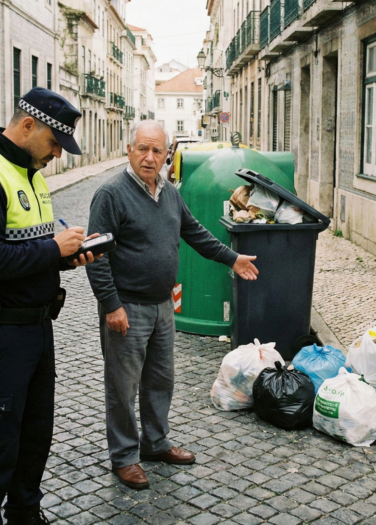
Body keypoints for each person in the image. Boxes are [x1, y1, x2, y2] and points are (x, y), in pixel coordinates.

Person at [0, 88, 99, 525]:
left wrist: (69, 257)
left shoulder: (32, 175)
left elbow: (27, 256)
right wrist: (53, 250)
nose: (57, 154)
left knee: (34, 440)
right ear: (28, 125)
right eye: (54, 142)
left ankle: (26, 516)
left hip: (35, 332)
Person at [85, 120, 259, 490]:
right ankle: (125, 457)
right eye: (143, 149)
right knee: (122, 387)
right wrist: (111, 305)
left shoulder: (170, 193)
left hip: (163, 306)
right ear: (129, 150)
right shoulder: (111, 194)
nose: (150, 158)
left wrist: (233, 259)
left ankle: (155, 443)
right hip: (127, 308)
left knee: (160, 381)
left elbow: (195, 233)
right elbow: (96, 256)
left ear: (168, 155)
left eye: (157, 151)